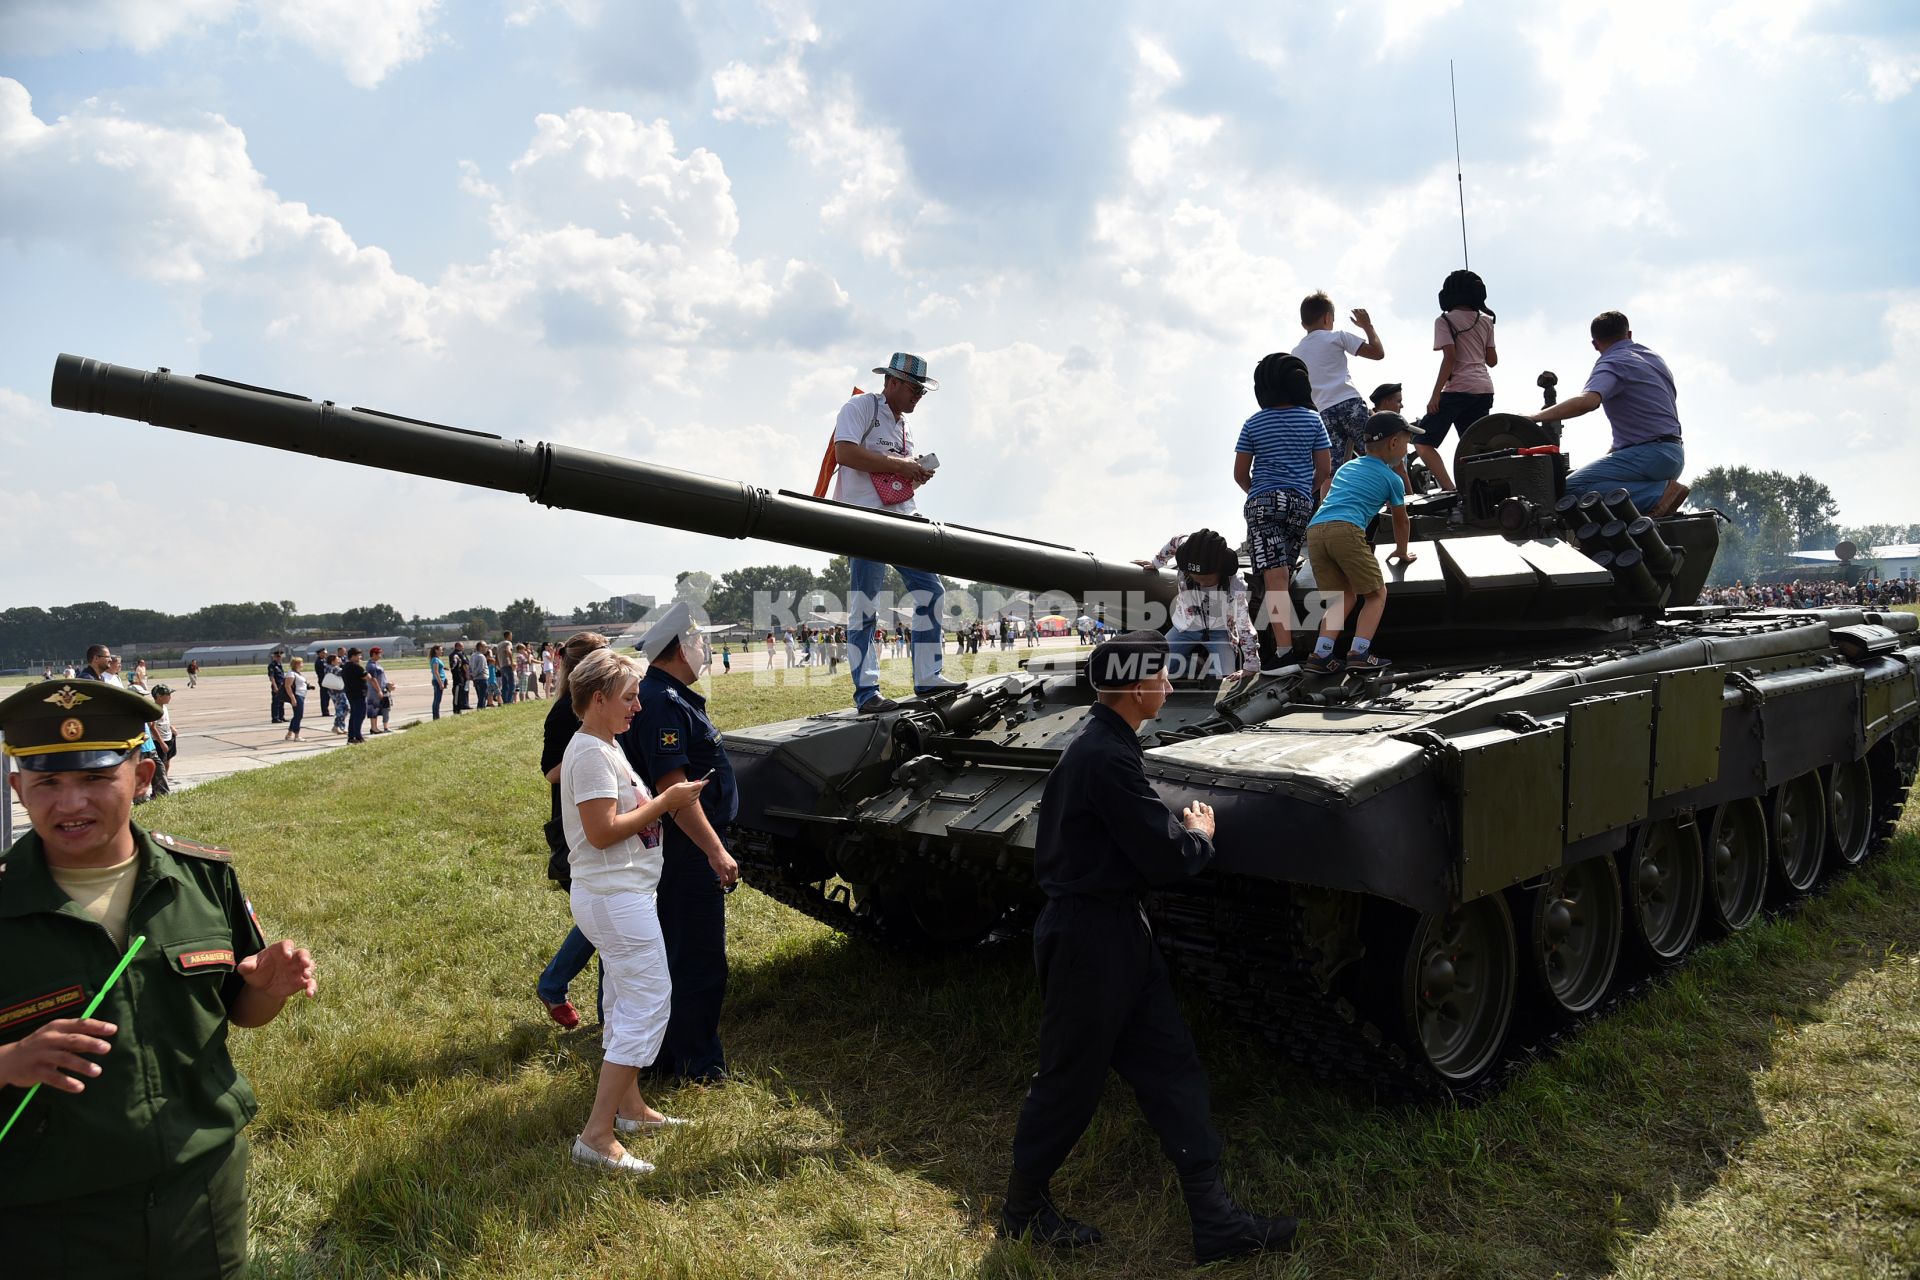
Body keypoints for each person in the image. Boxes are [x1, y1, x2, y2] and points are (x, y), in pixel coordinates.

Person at [0, 678, 317, 1276]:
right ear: (18, 788)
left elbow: (235, 1008)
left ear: (142, 778)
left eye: (95, 778)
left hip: (200, 1193)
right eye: (47, 782)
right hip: (46, 1216)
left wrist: (266, 991)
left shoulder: (203, 879)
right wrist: (10, 1060)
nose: (70, 803)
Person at [999, 631, 1296, 1264]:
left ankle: (1214, 1220)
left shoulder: (1102, 742)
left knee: (1172, 1066)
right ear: (1137, 688)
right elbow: (1163, 855)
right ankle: (1022, 1211)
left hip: (1113, 934)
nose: (1168, 685)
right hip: (1089, 940)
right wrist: (1198, 836)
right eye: (1161, 676)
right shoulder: (1104, 756)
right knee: (1068, 1081)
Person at [561, 647, 708, 1174]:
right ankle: (597, 1136)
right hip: (614, 897)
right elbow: (601, 833)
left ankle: (630, 1108)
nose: (638, 707)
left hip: (621, 895)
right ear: (598, 700)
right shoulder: (593, 754)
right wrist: (665, 805)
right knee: (647, 1003)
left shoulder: (604, 745)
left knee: (627, 998)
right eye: (628, 698)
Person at [620, 603, 742, 1082]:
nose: (707, 650)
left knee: (674, 954)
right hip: (686, 852)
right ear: (681, 647)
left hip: (678, 849)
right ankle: (696, 1064)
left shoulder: (665, 695)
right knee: (697, 959)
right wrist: (715, 850)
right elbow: (675, 791)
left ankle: (664, 1057)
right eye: (701, 642)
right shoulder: (664, 703)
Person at [830, 353, 964, 713]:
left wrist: (914, 472)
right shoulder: (859, 407)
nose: (918, 395)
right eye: (913, 388)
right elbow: (844, 452)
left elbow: (892, 473)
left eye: (921, 390)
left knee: (931, 591)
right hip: (865, 520)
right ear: (891, 382)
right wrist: (900, 465)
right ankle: (868, 692)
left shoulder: (903, 426)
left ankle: (928, 675)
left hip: (904, 518)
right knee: (865, 606)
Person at [1530, 310, 1688, 516]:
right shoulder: (1653, 359)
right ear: (1629, 335)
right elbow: (1645, 417)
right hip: (1672, 453)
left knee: (1564, 490)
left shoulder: (1613, 362)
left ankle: (1656, 495)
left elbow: (1588, 402)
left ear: (1595, 344)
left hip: (1650, 454)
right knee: (1590, 480)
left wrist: (1533, 418)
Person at [1233, 353, 1333, 668]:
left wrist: (1260, 494)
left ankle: (1284, 654)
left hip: (1264, 502)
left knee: (1274, 581)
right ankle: (1293, 645)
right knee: (1284, 576)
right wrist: (1303, 491)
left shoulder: (1253, 422)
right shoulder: (1313, 419)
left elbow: (1239, 473)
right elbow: (1324, 469)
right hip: (1301, 504)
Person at [1303, 412, 1420, 674]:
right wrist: (1402, 552)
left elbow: (1328, 490)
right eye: (1406, 441)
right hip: (1347, 530)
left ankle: (1321, 655)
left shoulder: (1347, 467)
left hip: (1316, 530)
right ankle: (1359, 652)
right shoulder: (1393, 479)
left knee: (1342, 597)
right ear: (1393, 444)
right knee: (1376, 594)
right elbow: (1401, 521)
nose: (1407, 447)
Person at [538, 632, 610, 1030]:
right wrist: (593, 752)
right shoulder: (566, 712)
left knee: (604, 915)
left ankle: (557, 985)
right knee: (606, 917)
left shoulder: (600, 705)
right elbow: (550, 771)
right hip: (575, 827)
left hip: (600, 817)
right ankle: (603, 1014)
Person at [1134, 530, 1259, 679]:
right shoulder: (1186, 550)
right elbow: (1176, 541)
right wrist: (1156, 563)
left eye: (1207, 580)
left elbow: (1243, 624)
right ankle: (1195, 665)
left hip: (1219, 631)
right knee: (1154, 668)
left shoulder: (1234, 584)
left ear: (1220, 570)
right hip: (1186, 626)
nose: (1202, 584)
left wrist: (1251, 665)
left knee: (1225, 678)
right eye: (1197, 579)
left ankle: (1209, 669)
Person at [1416, 269, 1498, 492]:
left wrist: (1435, 395)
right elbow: (1492, 361)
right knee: (1474, 447)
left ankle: (1450, 489)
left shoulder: (1444, 321)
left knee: (1423, 442)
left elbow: (1450, 357)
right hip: (1484, 389)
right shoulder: (1487, 321)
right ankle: (1482, 492)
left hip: (1457, 389)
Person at [1290, 291, 1384, 463]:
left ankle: (1332, 491)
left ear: (1303, 324)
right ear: (1327, 318)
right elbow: (1378, 353)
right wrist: (1367, 326)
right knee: (1377, 454)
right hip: (1349, 403)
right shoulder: (1338, 336)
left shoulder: (1295, 354)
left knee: (1332, 469)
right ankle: (1401, 490)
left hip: (1323, 412)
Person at [339, 646, 371, 743]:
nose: (360, 657)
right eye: (358, 655)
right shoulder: (356, 666)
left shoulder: (345, 666)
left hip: (350, 693)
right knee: (360, 715)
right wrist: (360, 666)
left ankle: (351, 737)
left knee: (353, 715)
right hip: (359, 694)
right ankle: (358, 736)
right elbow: (367, 676)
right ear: (353, 656)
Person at [283, 656, 307, 741]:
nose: (302, 664)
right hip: (297, 696)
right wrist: (293, 698)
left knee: (297, 715)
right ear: (296, 664)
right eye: (301, 663)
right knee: (298, 716)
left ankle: (289, 734)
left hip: (301, 695)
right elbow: (287, 686)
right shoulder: (291, 673)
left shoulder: (297, 673)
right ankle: (297, 736)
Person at [267, 649, 286, 725]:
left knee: (281, 702)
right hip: (277, 685)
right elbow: (272, 677)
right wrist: (275, 687)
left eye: (280, 657)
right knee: (276, 702)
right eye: (277, 656)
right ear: (274, 657)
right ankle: (275, 718)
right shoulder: (272, 665)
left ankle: (281, 717)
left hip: (282, 685)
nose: (279, 658)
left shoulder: (279, 665)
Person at [450, 642, 470, 715]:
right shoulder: (458, 654)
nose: (463, 648)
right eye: (462, 646)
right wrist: (468, 674)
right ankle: (457, 710)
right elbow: (465, 665)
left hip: (459, 676)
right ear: (457, 646)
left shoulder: (454, 654)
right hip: (459, 676)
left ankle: (459, 708)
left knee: (460, 694)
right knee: (458, 694)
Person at [429, 644, 447, 720]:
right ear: (436, 650)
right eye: (440, 650)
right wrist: (440, 683)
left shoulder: (437, 659)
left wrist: (444, 668)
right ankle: (436, 717)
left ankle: (436, 716)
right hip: (437, 681)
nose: (442, 651)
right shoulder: (435, 660)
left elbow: (438, 669)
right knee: (437, 699)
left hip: (440, 680)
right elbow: (435, 672)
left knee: (438, 699)